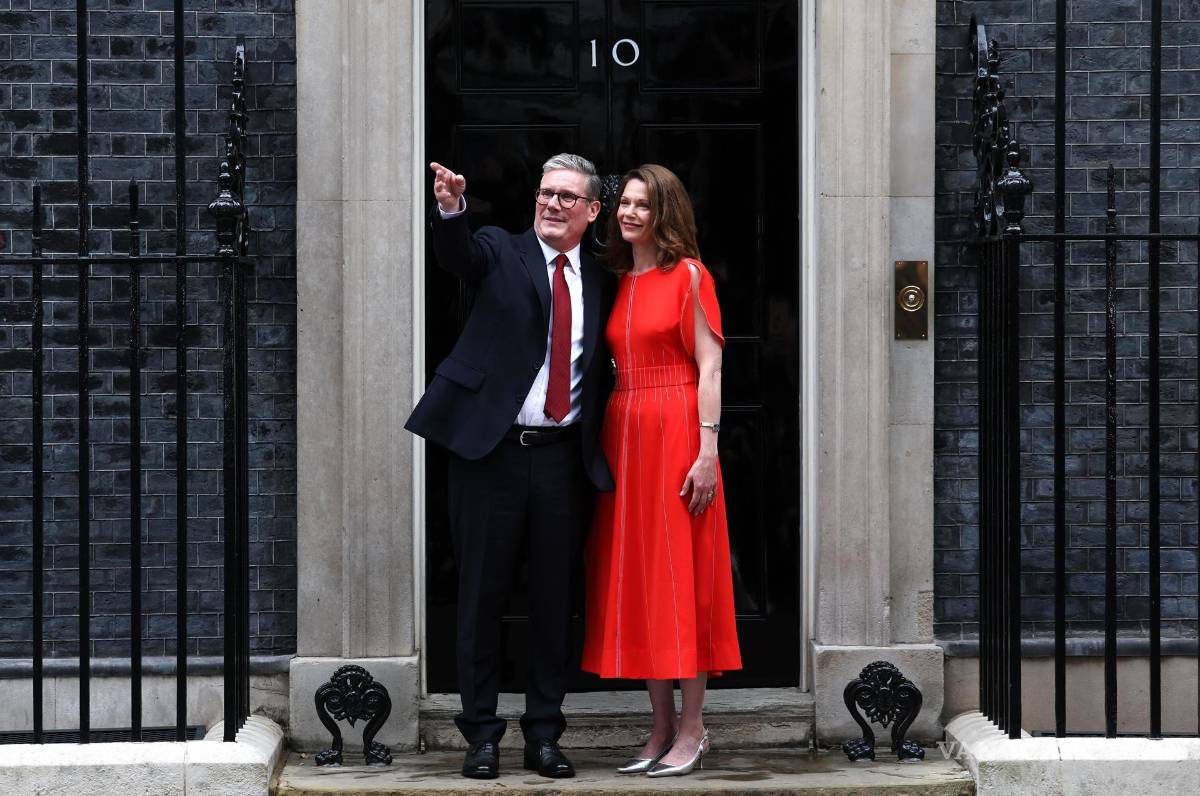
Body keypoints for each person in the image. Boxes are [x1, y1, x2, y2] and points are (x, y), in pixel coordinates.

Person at [405, 154, 614, 780]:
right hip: (490, 455)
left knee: (554, 601)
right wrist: (450, 209)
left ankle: (545, 734)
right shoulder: (499, 248)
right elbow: (457, 257)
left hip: (562, 460)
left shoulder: (604, 277)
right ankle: (481, 735)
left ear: (592, 211)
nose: (552, 204)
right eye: (546, 192)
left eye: (567, 197)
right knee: (480, 597)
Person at [581, 164, 741, 777]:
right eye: (624, 203)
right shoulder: (620, 281)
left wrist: (707, 452)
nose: (628, 213)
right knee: (644, 577)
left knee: (682, 577)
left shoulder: (690, 276)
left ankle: (694, 728)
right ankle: (660, 726)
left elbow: (711, 367)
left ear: (664, 213)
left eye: (642, 205)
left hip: (677, 430)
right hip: (625, 435)